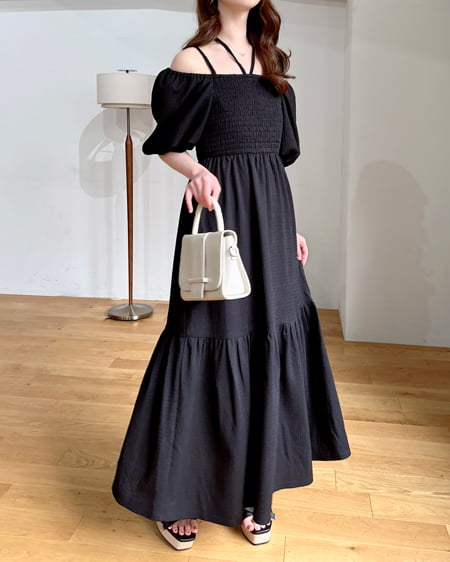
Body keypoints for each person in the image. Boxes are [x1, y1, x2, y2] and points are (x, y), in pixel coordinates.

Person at [112, 0, 350, 551]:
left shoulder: (272, 60)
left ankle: (254, 492)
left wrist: (290, 227)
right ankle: (180, 494)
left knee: (268, 342)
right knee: (205, 340)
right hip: (220, 214)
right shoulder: (191, 62)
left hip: (272, 221)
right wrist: (196, 170)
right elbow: (169, 145)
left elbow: (274, 160)